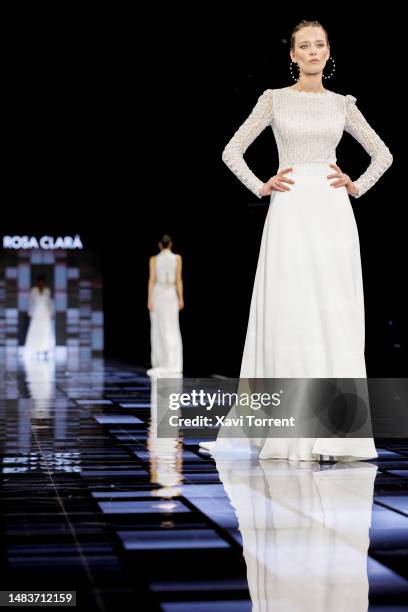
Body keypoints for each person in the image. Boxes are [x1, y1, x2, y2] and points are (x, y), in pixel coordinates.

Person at [200, 20, 393, 461]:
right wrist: (260, 185)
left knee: (333, 314)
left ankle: (336, 429)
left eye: (319, 45)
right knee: (290, 314)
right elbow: (232, 150)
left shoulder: (343, 105)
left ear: (328, 52)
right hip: (289, 212)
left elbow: (383, 153)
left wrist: (356, 183)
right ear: (292, 54)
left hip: (331, 211)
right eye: (303, 46)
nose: (312, 52)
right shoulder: (274, 100)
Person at [147, 234, 183, 375]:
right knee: (172, 328)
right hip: (171, 294)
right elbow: (178, 280)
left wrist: (149, 299)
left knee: (159, 328)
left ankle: (161, 363)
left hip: (159, 293)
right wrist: (181, 298)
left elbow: (152, 280)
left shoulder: (154, 259)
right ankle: (174, 363)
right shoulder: (177, 258)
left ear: (160, 245)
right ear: (171, 244)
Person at [24, 275, 54, 357]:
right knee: (37, 332)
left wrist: (51, 313)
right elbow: (31, 302)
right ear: (37, 282)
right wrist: (30, 313)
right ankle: (37, 350)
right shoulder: (33, 290)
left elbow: (49, 303)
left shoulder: (47, 290)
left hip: (45, 314)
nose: (41, 283)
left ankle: (45, 349)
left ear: (44, 282)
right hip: (36, 314)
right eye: (39, 282)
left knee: (46, 332)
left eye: (42, 282)